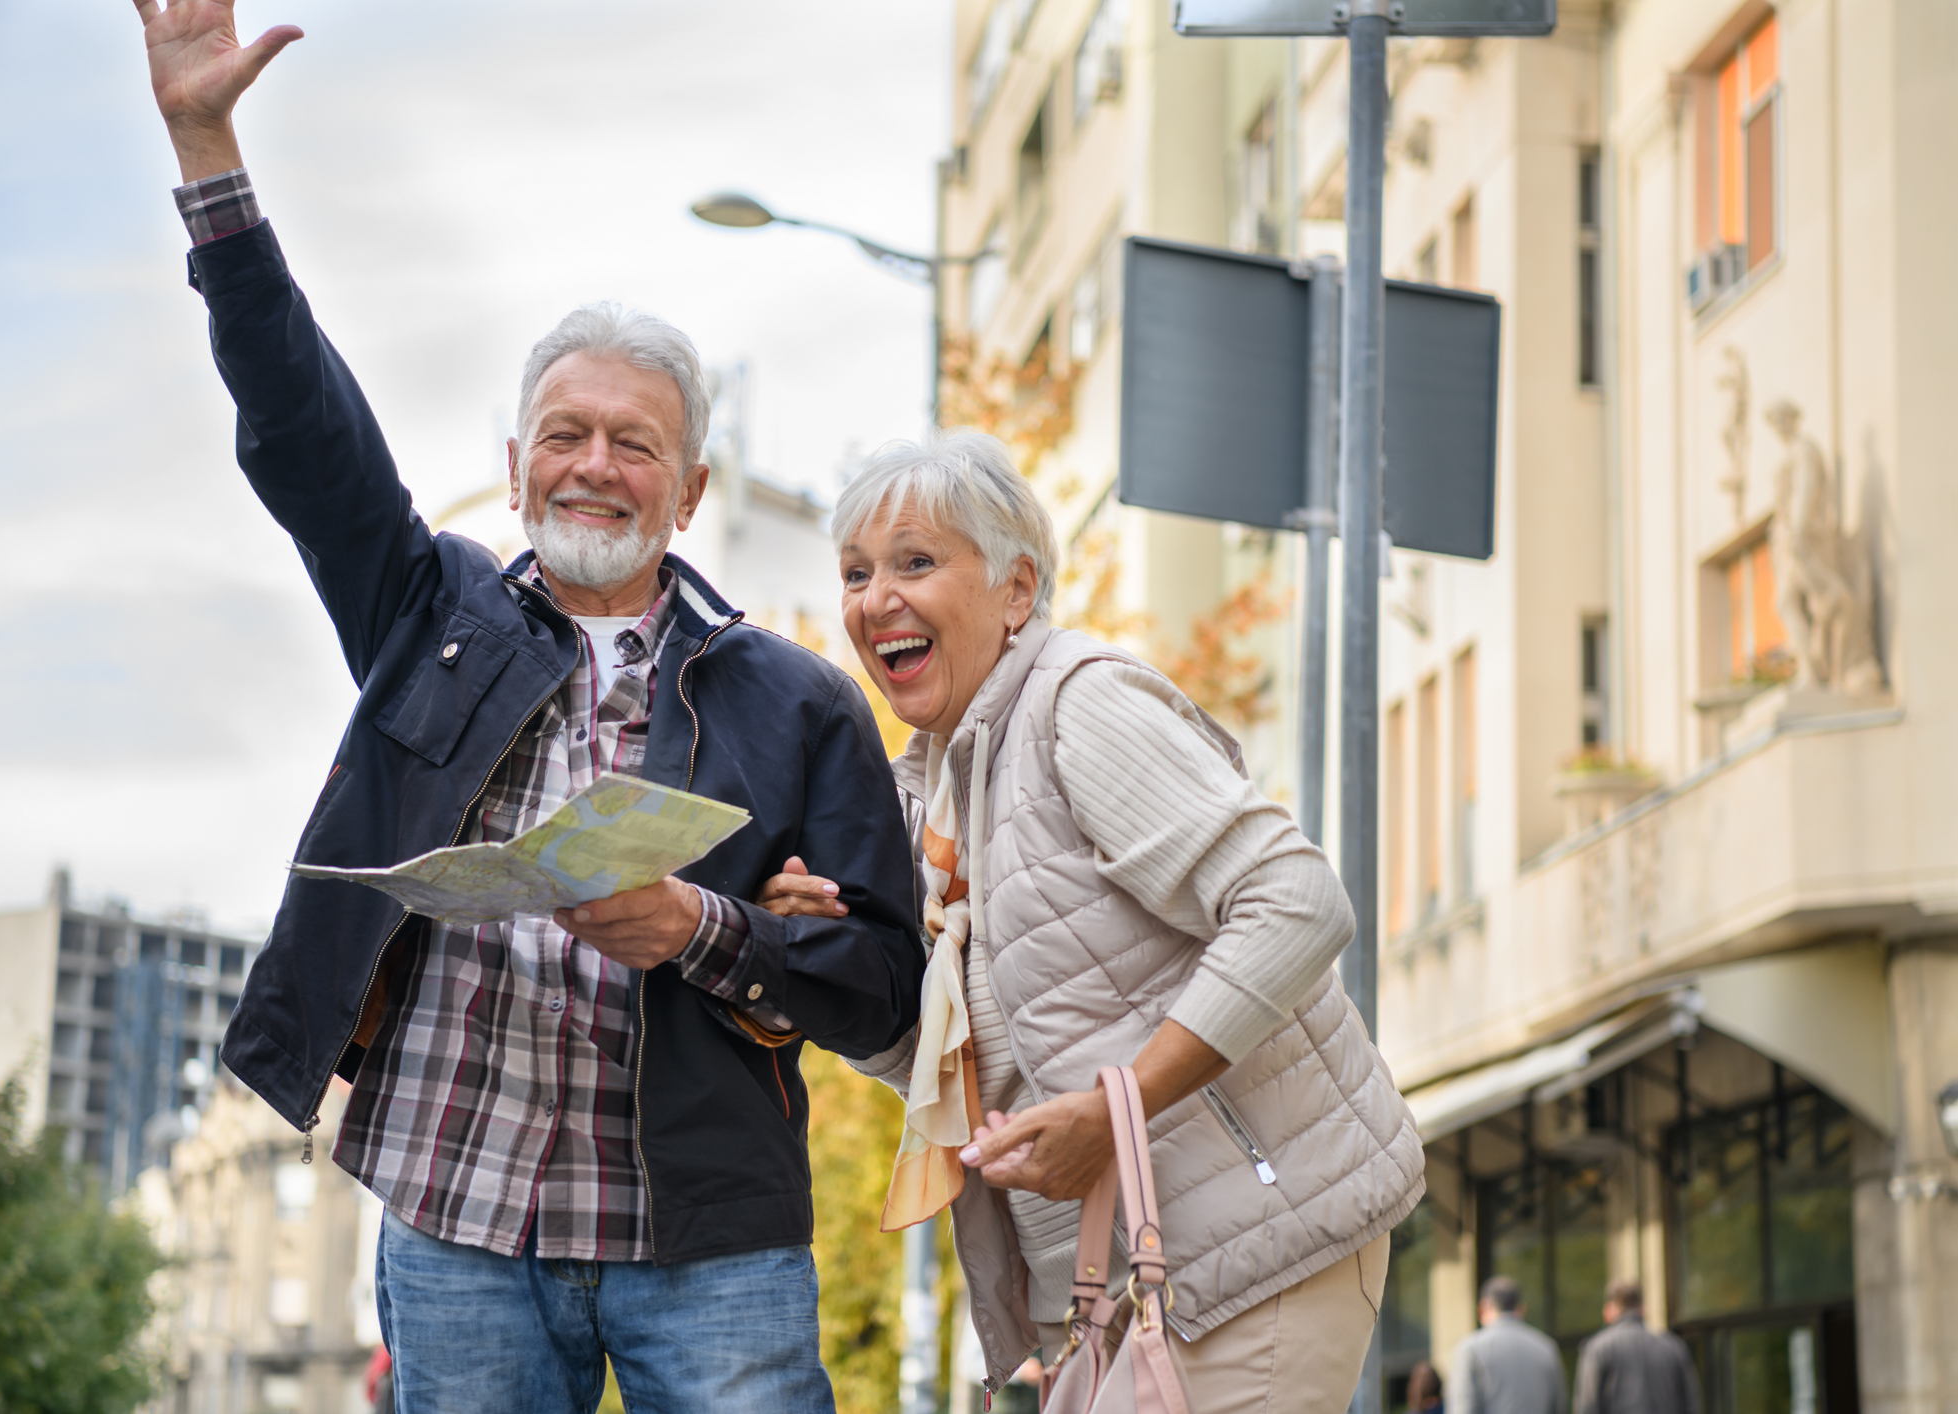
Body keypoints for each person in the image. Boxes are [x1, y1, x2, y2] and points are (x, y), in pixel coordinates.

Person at [129, 4, 926, 1410]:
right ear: (515, 465)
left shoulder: (801, 700)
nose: (594, 465)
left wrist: (707, 927)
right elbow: (301, 427)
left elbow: (880, 993)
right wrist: (208, 150)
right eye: (565, 432)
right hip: (457, 1216)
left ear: (686, 492)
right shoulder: (426, 611)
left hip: (710, 1239)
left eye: (635, 443)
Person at [756, 431, 1425, 1412]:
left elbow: (1297, 902)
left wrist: (1119, 1109)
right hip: (1133, 1283)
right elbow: (943, 1063)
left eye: (915, 561)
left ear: (1017, 589)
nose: (874, 599)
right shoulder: (929, 795)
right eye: (856, 572)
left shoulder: (1080, 704)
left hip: (1267, 1239)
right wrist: (811, 955)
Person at [1573, 1281, 1700, 1414]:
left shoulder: (1598, 1349)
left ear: (1610, 1309)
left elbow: (1587, 1406)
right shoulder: (1673, 1346)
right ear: (1643, 1309)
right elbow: (1691, 1402)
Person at [1447, 1277, 1567, 1414]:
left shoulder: (1470, 1350)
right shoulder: (1547, 1348)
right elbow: (1559, 1407)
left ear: (1483, 1307)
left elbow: (1464, 1408)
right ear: (1521, 1309)